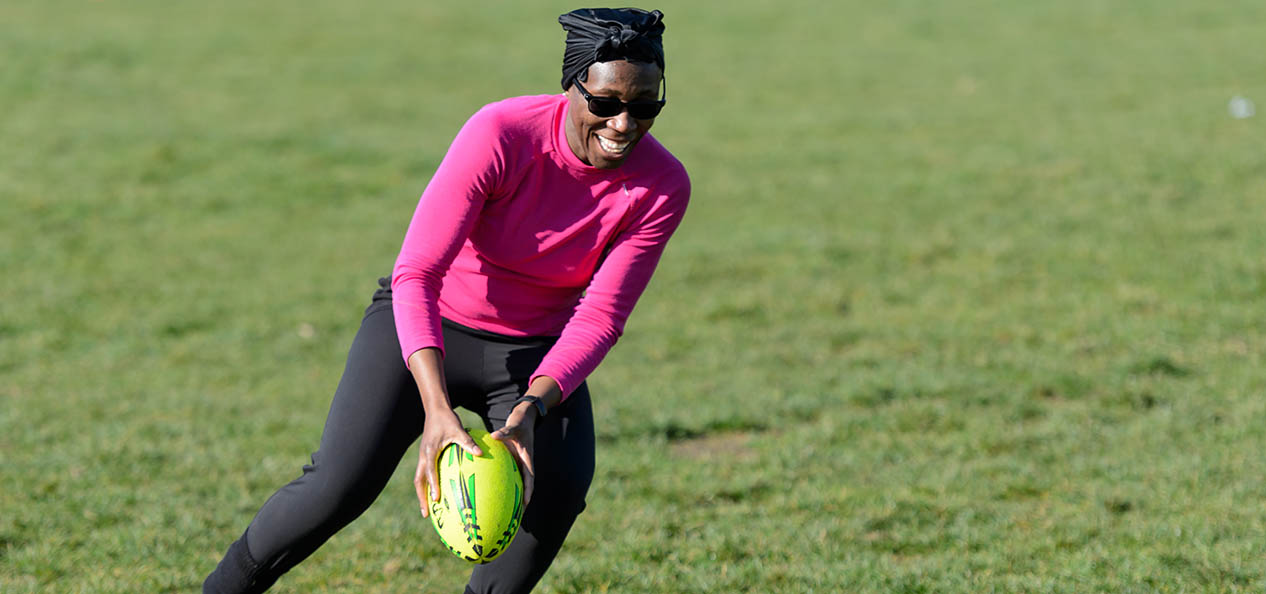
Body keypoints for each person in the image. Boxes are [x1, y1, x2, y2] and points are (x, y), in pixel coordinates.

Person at [202, 7, 690, 594]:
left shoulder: (662, 185)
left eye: (645, 107)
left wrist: (530, 410)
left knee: (556, 491)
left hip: (535, 351)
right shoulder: (502, 134)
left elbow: (600, 318)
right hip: (427, 325)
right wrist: (435, 408)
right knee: (339, 486)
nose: (624, 124)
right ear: (572, 86)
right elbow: (417, 273)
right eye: (606, 103)